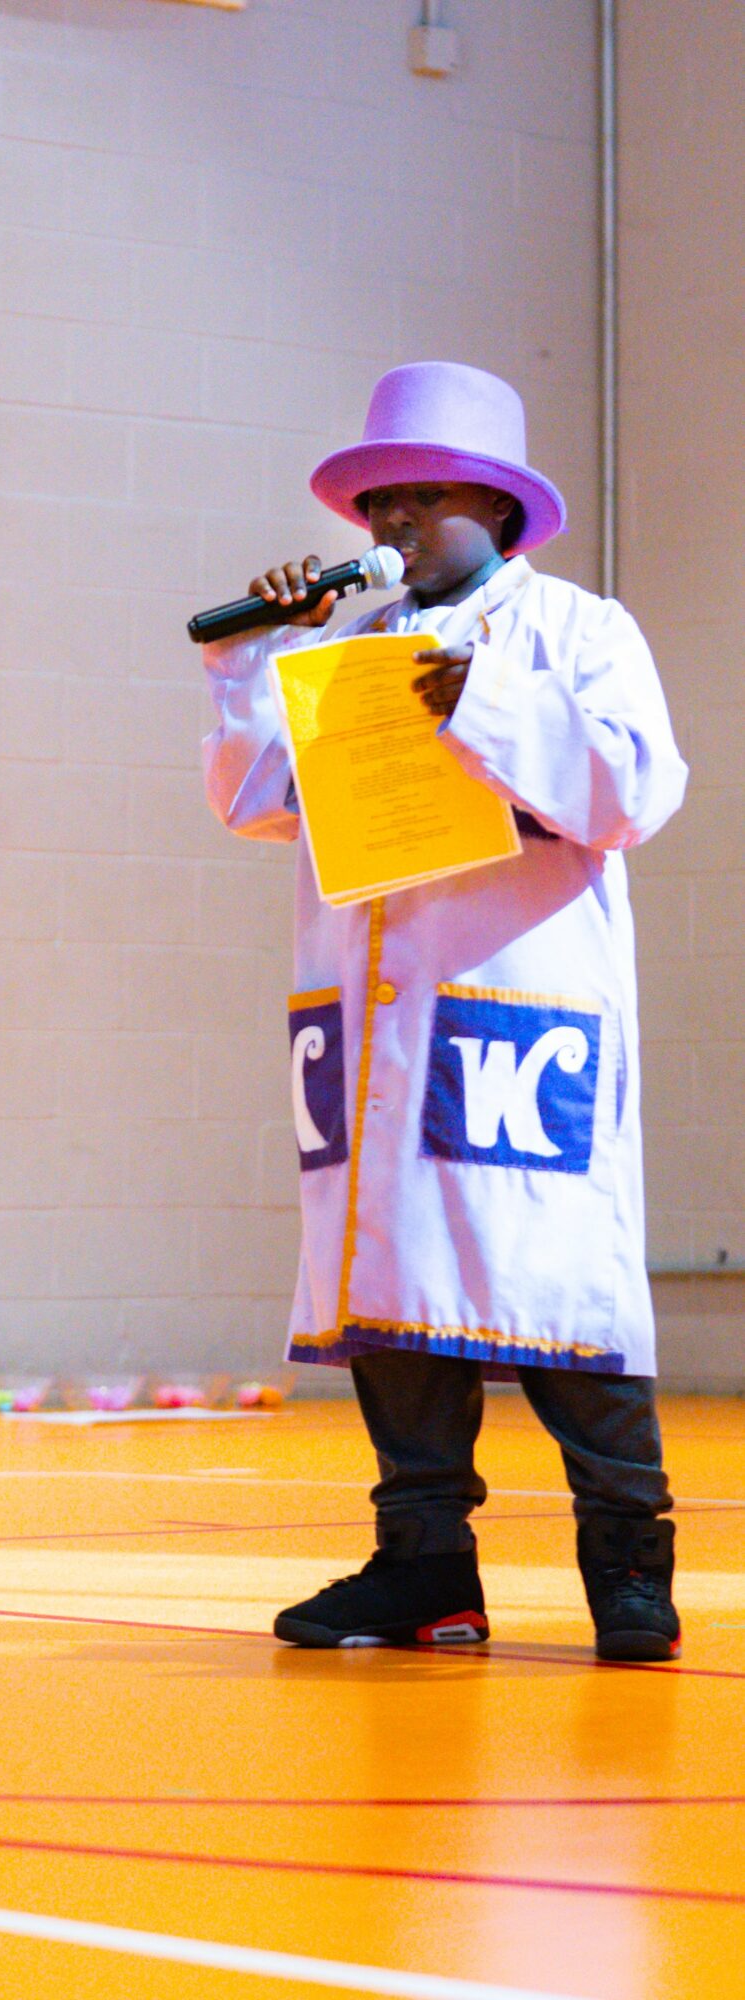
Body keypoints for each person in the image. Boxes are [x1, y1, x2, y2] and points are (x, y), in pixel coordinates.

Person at [200, 362, 688, 1660]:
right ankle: (423, 1564)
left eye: (420, 497)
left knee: (557, 1289)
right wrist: (251, 655)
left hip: (510, 1006)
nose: (392, 523)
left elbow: (630, 792)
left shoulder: (576, 633)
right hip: (369, 1008)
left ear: (495, 507)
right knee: (387, 1280)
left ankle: (626, 1560)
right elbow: (251, 799)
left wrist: (485, 702)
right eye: (378, 502)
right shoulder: (336, 644)